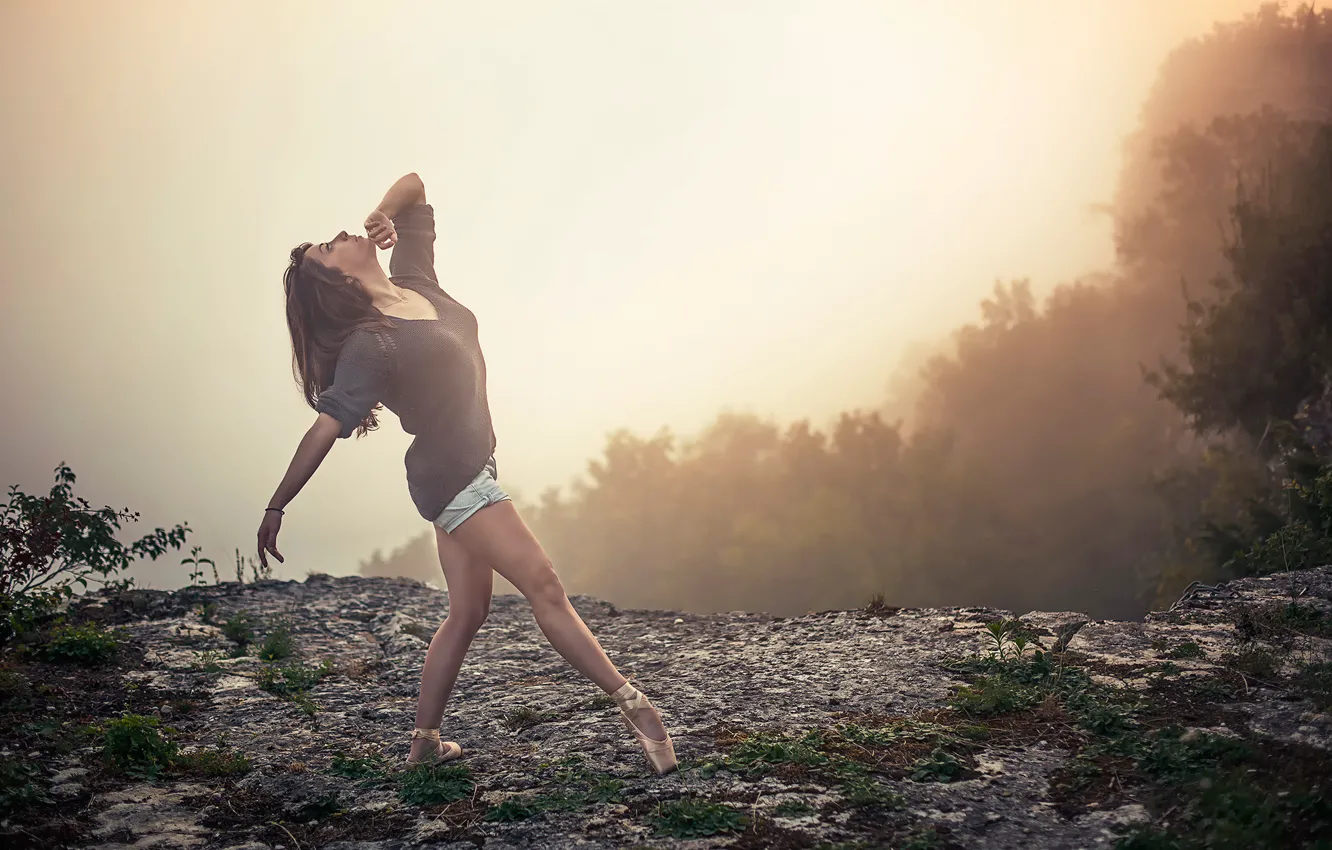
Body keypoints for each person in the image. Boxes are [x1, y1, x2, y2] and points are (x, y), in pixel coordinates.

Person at [255, 172, 676, 774]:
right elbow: (327, 426)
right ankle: (636, 707)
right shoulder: (371, 344)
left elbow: (416, 186)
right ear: (338, 279)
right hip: (453, 479)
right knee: (545, 585)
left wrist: (382, 212)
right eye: (329, 246)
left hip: (470, 464)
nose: (341, 234)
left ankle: (424, 744)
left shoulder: (415, 280)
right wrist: (277, 504)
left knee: (468, 613)